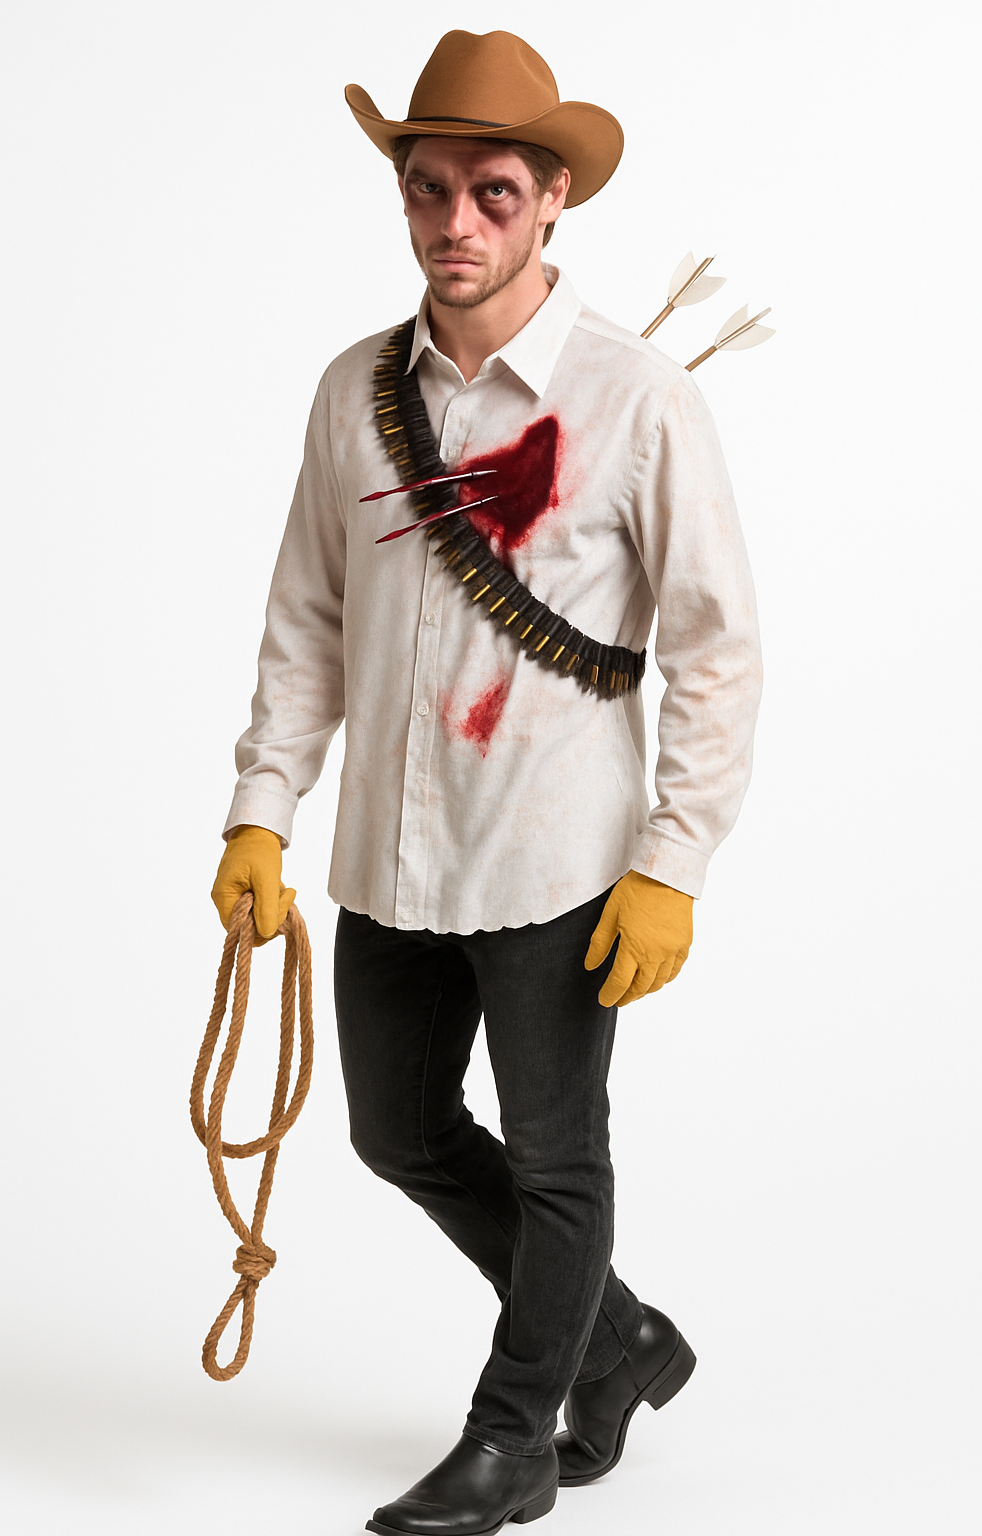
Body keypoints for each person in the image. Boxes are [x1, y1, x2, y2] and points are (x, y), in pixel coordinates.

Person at [211, 29, 762, 1536]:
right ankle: (620, 1339)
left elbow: (717, 649)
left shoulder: (638, 397)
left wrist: (674, 861)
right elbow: (307, 620)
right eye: (430, 188)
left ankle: (514, 1441)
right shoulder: (353, 391)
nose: (458, 221)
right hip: (387, 855)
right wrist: (262, 811)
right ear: (402, 194)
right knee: (395, 1130)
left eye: (494, 192)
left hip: (554, 856)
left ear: (553, 197)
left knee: (558, 1158)